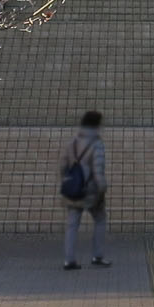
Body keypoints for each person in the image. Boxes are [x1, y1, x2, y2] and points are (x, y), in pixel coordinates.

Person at [59, 110, 109, 270]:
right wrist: (102, 189)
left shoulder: (72, 142)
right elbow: (98, 170)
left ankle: (69, 260)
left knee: (72, 224)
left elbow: (63, 166)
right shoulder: (96, 143)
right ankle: (98, 256)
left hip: (74, 189)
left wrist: (68, 181)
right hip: (91, 191)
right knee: (100, 220)